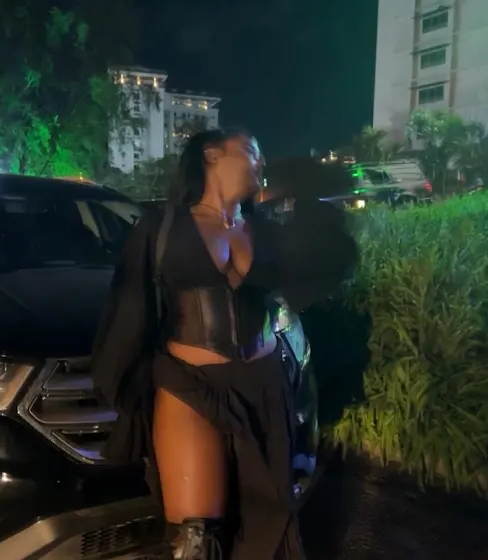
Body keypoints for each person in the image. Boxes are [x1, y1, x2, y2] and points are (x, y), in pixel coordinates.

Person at [91, 128, 357, 559]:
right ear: (211, 154)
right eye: (251, 151)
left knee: (267, 526)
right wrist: (123, 384)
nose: (260, 162)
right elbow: (129, 305)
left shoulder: (264, 229)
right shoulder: (161, 228)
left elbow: (313, 280)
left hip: (265, 387)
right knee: (195, 540)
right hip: (190, 385)